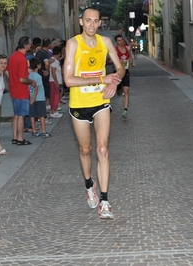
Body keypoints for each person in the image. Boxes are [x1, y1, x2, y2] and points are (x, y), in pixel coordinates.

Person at [64, 7, 124, 219]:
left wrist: (114, 82)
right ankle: (90, 185)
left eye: (95, 21)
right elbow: (68, 80)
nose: (91, 24)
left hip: (101, 101)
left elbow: (120, 67)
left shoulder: (105, 42)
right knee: (86, 149)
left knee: (102, 149)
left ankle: (105, 201)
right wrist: (101, 79)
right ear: (81, 22)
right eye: (87, 20)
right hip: (79, 103)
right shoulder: (73, 44)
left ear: (100, 23)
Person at [7, 36, 37, 146]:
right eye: (29, 44)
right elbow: (22, 79)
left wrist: (12, 81)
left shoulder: (13, 56)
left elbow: (8, 72)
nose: (30, 46)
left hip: (13, 89)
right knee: (21, 116)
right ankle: (20, 138)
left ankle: (15, 137)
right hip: (21, 91)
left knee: (16, 114)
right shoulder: (22, 59)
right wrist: (32, 82)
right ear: (26, 45)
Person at [114, 34, 136, 119]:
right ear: (116, 42)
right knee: (118, 91)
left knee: (126, 90)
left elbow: (129, 56)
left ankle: (125, 110)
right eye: (119, 40)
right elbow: (113, 58)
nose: (121, 42)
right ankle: (119, 90)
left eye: (122, 40)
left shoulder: (127, 48)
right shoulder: (115, 50)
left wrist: (132, 62)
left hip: (126, 71)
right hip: (118, 72)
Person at [29, 57, 51, 138]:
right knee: (42, 115)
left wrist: (31, 98)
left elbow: (30, 87)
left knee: (33, 115)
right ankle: (44, 131)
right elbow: (37, 88)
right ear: (38, 65)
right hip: (39, 98)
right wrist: (34, 98)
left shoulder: (30, 75)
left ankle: (34, 131)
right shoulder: (38, 76)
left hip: (31, 98)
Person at [49, 46, 64, 118]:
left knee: (56, 96)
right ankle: (53, 111)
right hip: (54, 82)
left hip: (54, 81)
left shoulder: (54, 60)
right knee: (54, 96)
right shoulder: (54, 61)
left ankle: (54, 109)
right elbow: (53, 71)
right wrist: (56, 82)